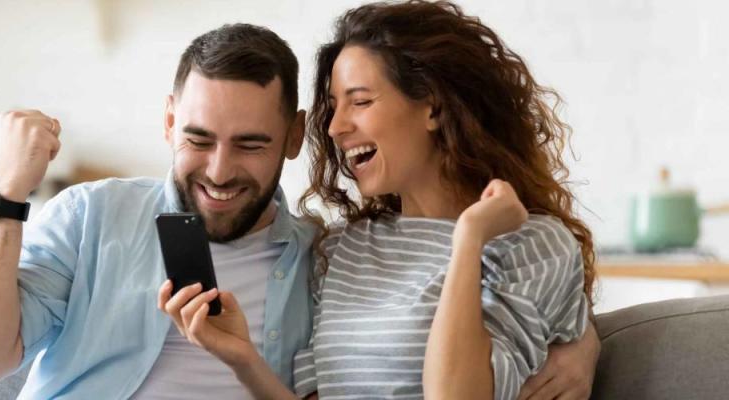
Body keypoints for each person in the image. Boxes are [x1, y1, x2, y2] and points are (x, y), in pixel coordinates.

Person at [158, 2, 600, 399]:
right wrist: (243, 359)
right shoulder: (341, 249)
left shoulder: (530, 242)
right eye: (333, 106)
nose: (333, 127)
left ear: (433, 108)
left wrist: (468, 240)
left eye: (360, 101)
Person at [0, 24, 316, 399]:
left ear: (294, 136)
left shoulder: (324, 261)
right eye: (198, 139)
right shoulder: (89, 216)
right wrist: (7, 189)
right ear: (170, 122)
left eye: (250, 145)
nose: (219, 172)